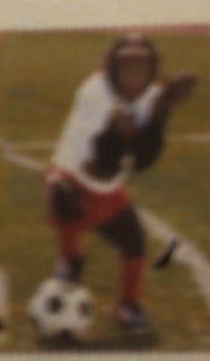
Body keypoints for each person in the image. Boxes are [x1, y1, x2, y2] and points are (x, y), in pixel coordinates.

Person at [41, 33, 199, 342]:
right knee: (65, 200)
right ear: (113, 64)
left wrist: (159, 115)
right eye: (126, 59)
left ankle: (129, 304)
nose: (133, 66)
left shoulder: (153, 96)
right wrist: (124, 128)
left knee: (135, 241)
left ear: (153, 66)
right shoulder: (94, 92)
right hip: (71, 179)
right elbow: (97, 164)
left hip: (109, 188)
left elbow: (143, 162)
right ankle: (71, 258)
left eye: (141, 60)